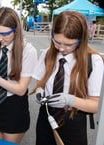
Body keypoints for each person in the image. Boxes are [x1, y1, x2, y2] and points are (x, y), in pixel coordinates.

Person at [31, 11, 104, 145]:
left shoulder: (94, 61)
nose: (61, 49)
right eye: (57, 42)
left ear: (81, 40)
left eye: (69, 44)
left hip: (73, 121)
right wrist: (39, 91)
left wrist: (70, 100)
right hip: (46, 118)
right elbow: (40, 84)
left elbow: (95, 105)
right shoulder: (48, 54)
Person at [0, 7, 38, 144]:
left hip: (15, 107)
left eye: (4, 34)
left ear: (16, 30)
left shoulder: (28, 51)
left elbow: (21, 89)